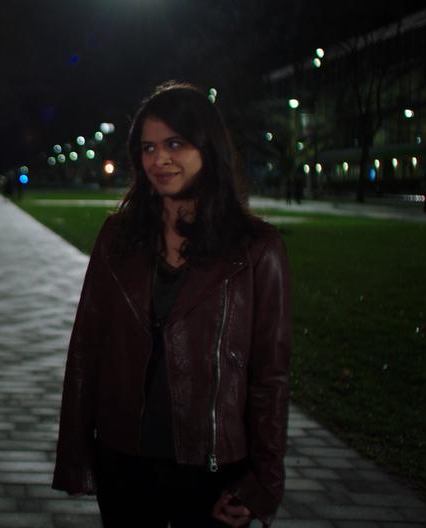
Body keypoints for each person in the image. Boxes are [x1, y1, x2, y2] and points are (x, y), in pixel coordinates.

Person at [52, 81, 291, 527]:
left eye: (174, 144)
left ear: (207, 146)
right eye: (147, 147)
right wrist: (76, 454)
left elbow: (269, 375)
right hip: (124, 460)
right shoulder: (118, 238)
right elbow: (86, 349)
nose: (158, 159)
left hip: (213, 469)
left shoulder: (256, 248)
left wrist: (264, 482)